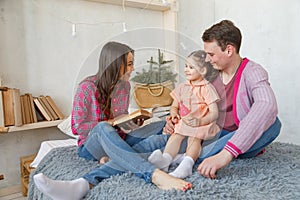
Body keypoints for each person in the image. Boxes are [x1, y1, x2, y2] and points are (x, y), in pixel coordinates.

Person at [33, 41, 192, 200]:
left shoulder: (125, 86)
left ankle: (112, 161)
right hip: (92, 144)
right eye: (129, 64)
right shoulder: (86, 87)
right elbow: (77, 126)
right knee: (103, 127)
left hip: (119, 138)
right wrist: (109, 123)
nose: (132, 69)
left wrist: (133, 122)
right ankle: (154, 174)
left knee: (163, 124)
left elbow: (121, 118)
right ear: (115, 64)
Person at [163, 19, 281, 179]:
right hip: (210, 131)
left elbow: (266, 104)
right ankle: (185, 155)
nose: (208, 59)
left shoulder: (253, 72)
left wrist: (226, 154)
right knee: (164, 135)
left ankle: (192, 156)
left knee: (273, 124)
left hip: (237, 134)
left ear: (229, 50)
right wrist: (176, 118)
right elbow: (193, 101)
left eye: (211, 54)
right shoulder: (210, 74)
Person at [148, 50, 220, 179]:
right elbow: (174, 106)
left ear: (203, 71)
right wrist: (174, 114)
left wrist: (200, 121)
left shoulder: (206, 88)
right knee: (175, 136)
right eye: (186, 66)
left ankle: (187, 164)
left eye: (191, 67)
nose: (186, 70)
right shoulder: (182, 87)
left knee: (194, 138)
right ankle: (165, 160)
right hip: (184, 122)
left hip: (200, 123)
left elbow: (214, 113)